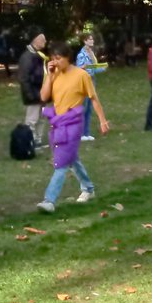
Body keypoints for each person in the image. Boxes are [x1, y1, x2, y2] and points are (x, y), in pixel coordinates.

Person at [36, 41, 109, 212]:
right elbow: (44, 96)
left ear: (68, 58)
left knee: (61, 163)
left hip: (73, 123)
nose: (56, 61)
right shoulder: (54, 74)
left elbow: (93, 99)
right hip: (57, 123)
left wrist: (102, 121)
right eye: (53, 58)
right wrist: (49, 75)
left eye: (59, 58)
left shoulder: (81, 75)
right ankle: (88, 189)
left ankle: (49, 200)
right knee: (71, 159)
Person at [18, 31, 49, 147]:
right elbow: (24, 78)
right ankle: (29, 141)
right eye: (43, 39)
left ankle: (37, 140)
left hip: (42, 92)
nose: (45, 42)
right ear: (35, 40)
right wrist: (29, 94)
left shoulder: (39, 55)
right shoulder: (27, 57)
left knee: (41, 117)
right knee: (32, 119)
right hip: (34, 93)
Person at [75, 32, 106, 141]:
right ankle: (81, 133)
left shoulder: (90, 53)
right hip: (84, 82)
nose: (92, 41)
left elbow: (93, 67)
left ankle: (86, 133)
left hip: (91, 81)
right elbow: (78, 70)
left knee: (89, 108)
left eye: (92, 39)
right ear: (85, 41)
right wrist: (82, 68)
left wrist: (102, 67)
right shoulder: (81, 55)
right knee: (84, 107)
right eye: (90, 39)